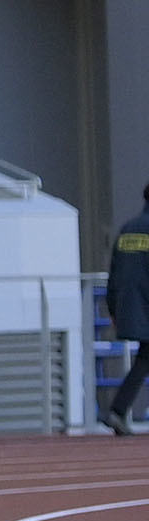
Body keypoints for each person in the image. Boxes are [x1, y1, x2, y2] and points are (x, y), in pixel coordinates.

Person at [104, 184, 149, 435]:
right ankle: (118, 411)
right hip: (145, 305)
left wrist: (113, 308)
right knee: (144, 359)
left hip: (129, 306)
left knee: (144, 359)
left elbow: (114, 274)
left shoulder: (127, 230)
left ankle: (118, 411)